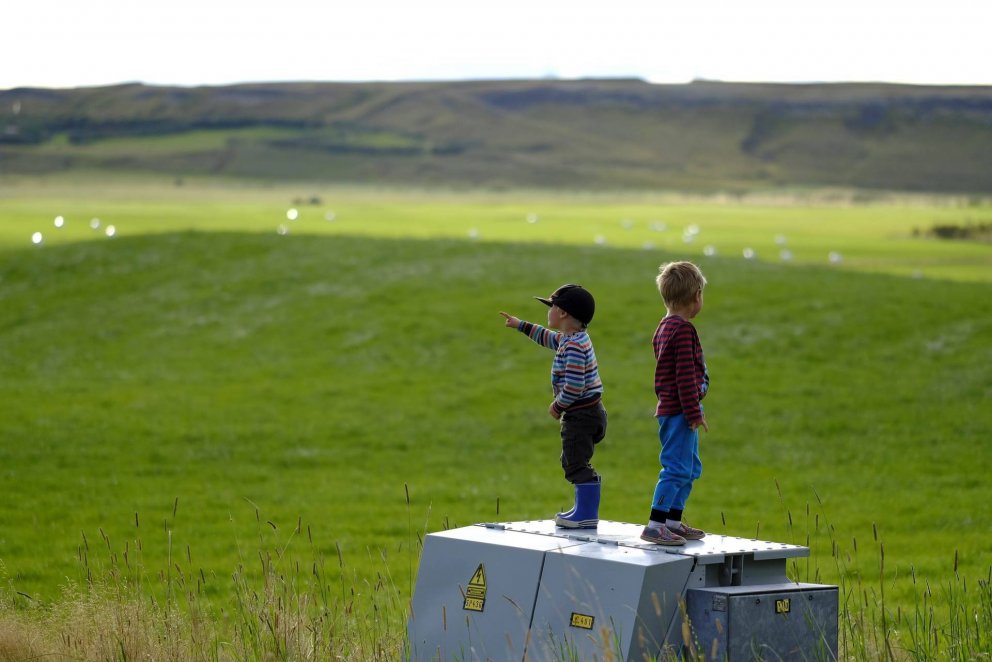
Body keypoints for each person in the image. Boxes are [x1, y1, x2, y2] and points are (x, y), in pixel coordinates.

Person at [500, 284, 607, 529]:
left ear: (563, 313)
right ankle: (582, 508)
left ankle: (587, 513)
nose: (548, 312)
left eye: (551, 307)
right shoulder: (572, 338)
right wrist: (520, 325)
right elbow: (546, 337)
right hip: (589, 412)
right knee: (573, 458)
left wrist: (558, 406)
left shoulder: (574, 347)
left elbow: (575, 386)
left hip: (581, 414)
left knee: (575, 462)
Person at [640, 262, 710, 546]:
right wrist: (693, 413)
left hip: (679, 410)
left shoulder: (664, 326)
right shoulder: (682, 330)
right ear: (696, 296)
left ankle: (673, 521)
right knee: (676, 468)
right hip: (680, 412)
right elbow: (683, 376)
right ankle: (655, 525)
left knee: (690, 467)